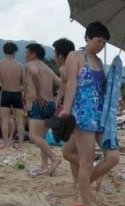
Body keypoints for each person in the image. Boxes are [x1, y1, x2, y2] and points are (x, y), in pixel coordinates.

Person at [60, 21, 119, 206]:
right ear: (88, 38)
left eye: (104, 43)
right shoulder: (76, 56)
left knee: (113, 156)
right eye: (99, 41)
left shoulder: (100, 62)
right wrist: (66, 109)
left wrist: (112, 81)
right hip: (83, 114)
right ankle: (86, 205)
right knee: (86, 160)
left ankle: (83, 186)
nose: (101, 46)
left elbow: (101, 89)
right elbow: (71, 84)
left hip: (100, 116)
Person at [25, 43, 62, 176]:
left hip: (38, 104)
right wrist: (57, 100)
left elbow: (34, 73)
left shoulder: (31, 64)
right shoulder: (47, 68)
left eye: (27, 52)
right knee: (42, 137)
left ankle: (54, 158)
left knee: (33, 136)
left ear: (34, 54)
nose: (25, 55)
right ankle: (44, 165)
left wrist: (39, 94)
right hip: (51, 104)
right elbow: (61, 82)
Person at [51, 38, 78, 184]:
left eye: (55, 53)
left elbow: (65, 88)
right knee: (75, 151)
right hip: (78, 111)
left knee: (68, 152)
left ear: (60, 55)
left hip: (73, 113)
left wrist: (59, 104)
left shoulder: (64, 68)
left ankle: (92, 169)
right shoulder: (79, 65)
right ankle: (76, 181)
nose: (54, 57)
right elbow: (64, 87)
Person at [0, 42, 26, 148]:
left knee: (5, 120)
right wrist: (25, 94)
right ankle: (20, 144)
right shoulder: (20, 65)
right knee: (20, 121)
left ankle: (5, 142)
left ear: (4, 51)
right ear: (15, 51)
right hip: (17, 93)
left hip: (5, 93)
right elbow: (24, 82)